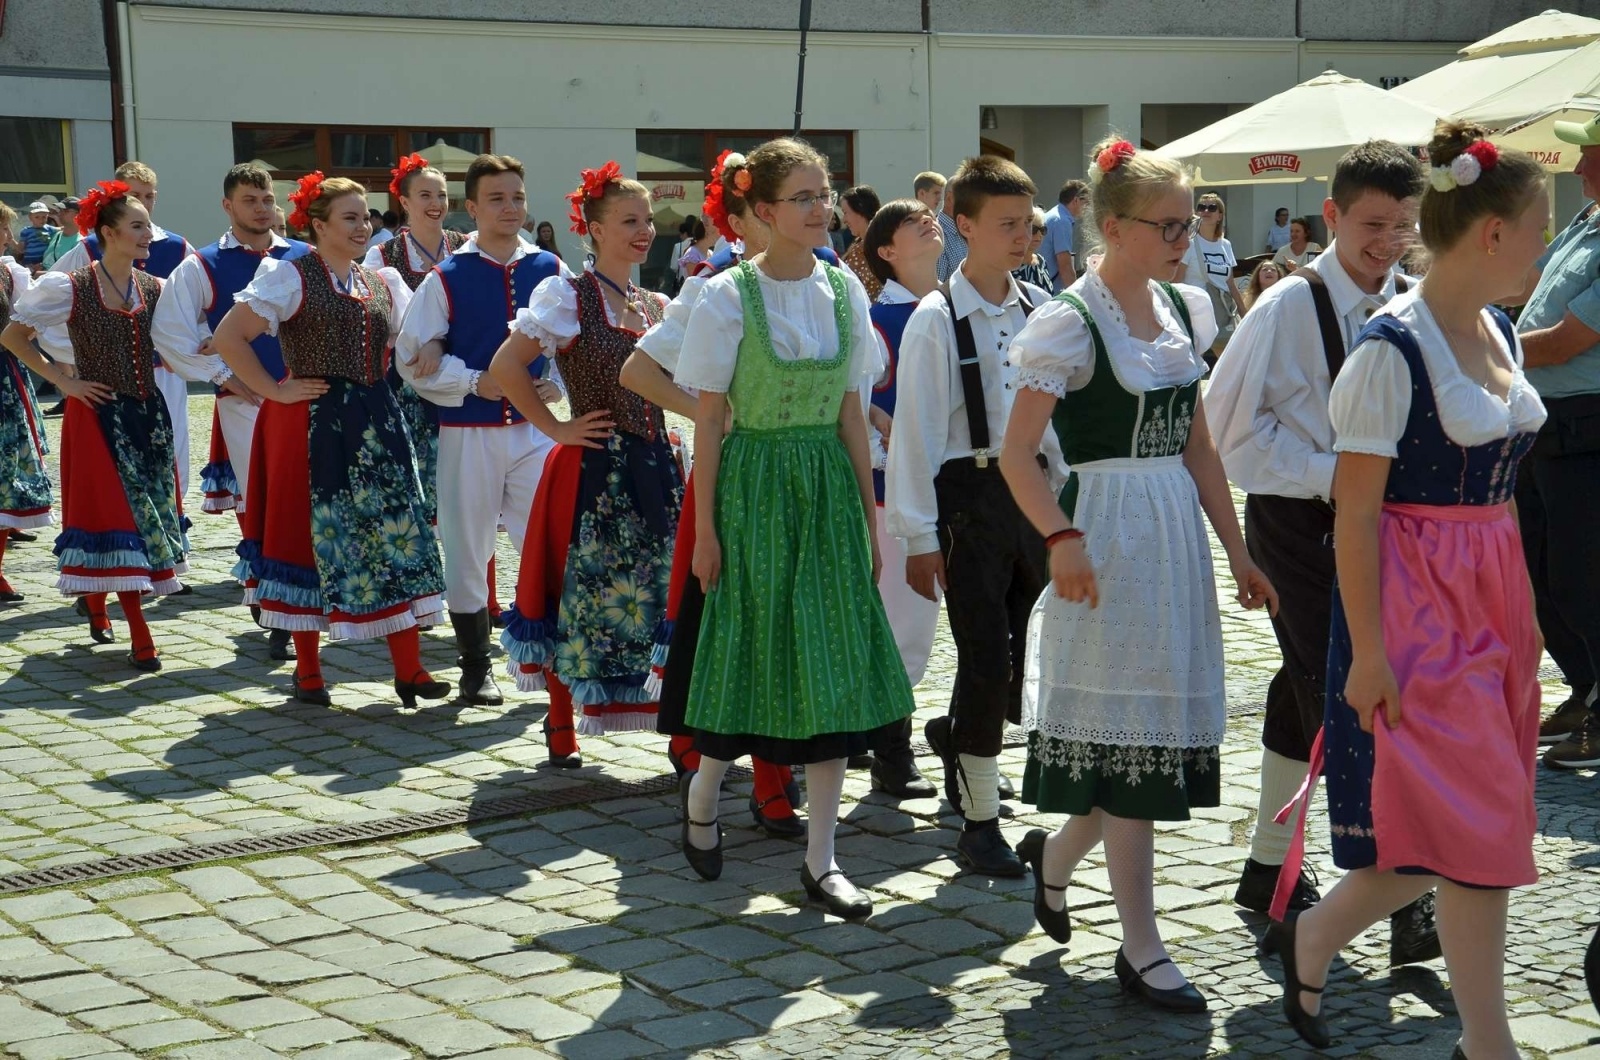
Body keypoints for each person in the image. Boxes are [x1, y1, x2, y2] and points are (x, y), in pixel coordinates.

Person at [1264, 123, 1549, 1060]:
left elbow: (1499, 496)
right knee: (1479, 834)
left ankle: (1313, 933)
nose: (1548, 244)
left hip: (1493, 591)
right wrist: (1371, 652)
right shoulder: (1390, 350)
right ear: (1494, 234)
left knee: (1462, 825)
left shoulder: (1498, 327)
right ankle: (1488, 1045)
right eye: (1541, 227)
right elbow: (1353, 516)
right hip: (1420, 605)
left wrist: (1528, 614)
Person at [997, 137, 1276, 1013]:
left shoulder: (1187, 310)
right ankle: (1142, 945)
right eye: (1166, 223)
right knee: (1124, 751)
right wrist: (1061, 536)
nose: (1184, 235)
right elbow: (1014, 456)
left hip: (1172, 543)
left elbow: (1196, 442)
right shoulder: (1068, 322)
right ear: (1111, 226)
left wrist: (1235, 548)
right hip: (1107, 536)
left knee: (1141, 741)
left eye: (1188, 218)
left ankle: (1054, 859)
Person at [1205, 140, 1440, 964]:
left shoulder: (1416, 300)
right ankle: (1405, 890)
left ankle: (1268, 871)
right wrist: (1334, 475)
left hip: (1391, 530)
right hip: (1301, 527)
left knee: (1311, 682)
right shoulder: (1285, 307)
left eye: (1405, 226)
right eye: (1374, 224)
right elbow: (1230, 438)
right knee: (1351, 695)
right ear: (1332, 216)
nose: (1389, 242)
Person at [673, 137, 914, 919]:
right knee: (746, 647)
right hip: (752, 487)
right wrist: (706, 531)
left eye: (825, 194)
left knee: (832, 664)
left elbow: (851, 414)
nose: (821, 208)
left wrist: (866, 515)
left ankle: (822, 858)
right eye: (804, 198)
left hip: (827, 494)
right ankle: (705, 792)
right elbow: (709, 421)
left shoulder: (845, 291)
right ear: (764, 211)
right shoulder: (723, 296)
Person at [620, 148, 822, 834]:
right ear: (740, 218)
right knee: (741, 626)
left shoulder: (822, 283)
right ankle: (752, 774)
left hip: (803, 480)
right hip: (738, 480)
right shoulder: (717, 288)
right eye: (759, 213)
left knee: (790, 629)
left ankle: (776, 767)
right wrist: (714, 412)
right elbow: (638, 371)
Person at [886, 155, 1066, 877]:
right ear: (964, 226)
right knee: (986, 654)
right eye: (1007, 225)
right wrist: (919, 535)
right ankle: (980, 822)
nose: (1023, 238)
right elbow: (916, 436)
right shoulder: (937, 319)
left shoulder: (1035, 308)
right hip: (968, 499)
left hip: (1028, 500)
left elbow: (1054, 424)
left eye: (1029, 224)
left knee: (1013, 653)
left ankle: (958, 736)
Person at [212, 172, 447, 709]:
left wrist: (430, 351)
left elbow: (415, 335)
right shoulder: (290, 277)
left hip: (375, 418)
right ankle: (310, 670)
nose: (364, 225)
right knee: (312, 536)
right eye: (350, 217)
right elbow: (229, 336)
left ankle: (409, 669)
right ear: (317, 225)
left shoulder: (379, 280)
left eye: (366, 216)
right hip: (312, 423)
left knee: (395, 533)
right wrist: (274, 389)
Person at [494, 161, 679, 763]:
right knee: (582, 594)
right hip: (594, 469)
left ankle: (681, 730)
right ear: (593, 229)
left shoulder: (656, 304)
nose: (643, 230)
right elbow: (504, 368)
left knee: (661, 594)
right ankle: (560, 720)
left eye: (648, 219)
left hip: (656, 467)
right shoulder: (567, 296)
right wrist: (556, 427)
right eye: (628, 220)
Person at [395, 154, 567, 708]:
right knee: (467, 548)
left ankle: (556, 659)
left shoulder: (550, 269)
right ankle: (475, 667)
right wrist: (475, 382)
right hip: (469, 432)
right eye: (497, 198)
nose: (511, 207)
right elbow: (410, 361)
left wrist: (555, 385)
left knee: (544, 541)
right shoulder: (447, 277)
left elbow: (571, 345)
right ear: (471, 208)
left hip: (536, 432)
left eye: (517, 196)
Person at [2, 182, 188, 669]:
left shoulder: (155, 287)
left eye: (147, 223)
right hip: (96, 416)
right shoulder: (71, 285)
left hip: (145, 414)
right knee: (116, 515)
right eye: (137, 225)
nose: (148, 232)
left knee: (142, 515)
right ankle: (141, 636)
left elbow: (183, 342)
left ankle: (97, 601)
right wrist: (66, 382)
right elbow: (14, 336)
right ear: (108, 233)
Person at [152, 163, 312, 663]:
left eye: (267, 199)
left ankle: (333, 602)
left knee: (321, 498)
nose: (261, 208)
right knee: (265, 500)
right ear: (228, 206)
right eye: (249, 200)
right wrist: (222, 373)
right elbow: (169, 330)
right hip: (249, 405)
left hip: (312, 400)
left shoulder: (305, 257)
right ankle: (276, 608)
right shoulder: (203, 264)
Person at [1503, 113, 1600, 770]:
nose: (1579, 165)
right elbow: (1524, 286)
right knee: (1537, 574)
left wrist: (1480, 350)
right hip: (1544, 422)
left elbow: (1569, 339)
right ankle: (1586, 690)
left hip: (1586, 425)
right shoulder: (1586, 222)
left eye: (1589, 152)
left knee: (1580, 575)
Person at [856, 196, 946, 799]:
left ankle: (968, 738)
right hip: (895, 493)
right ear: (887, 251)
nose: (929, 222)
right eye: (914, 223)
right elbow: (851, 397)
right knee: (904, 620)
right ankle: (891, 748)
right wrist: (884, 421)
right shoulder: (876, 320)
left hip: (967, 489)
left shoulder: (958, 306)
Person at [52, 162, 196, 504]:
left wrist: (190, 351)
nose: (143, 203)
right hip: (111, 375)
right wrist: (73, 360)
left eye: (149, 196)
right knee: (118, 451)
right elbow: (49, 308)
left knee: (172, 444)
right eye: (134, 196)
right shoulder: (88, 250)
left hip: (163, 369)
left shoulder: (176, 247)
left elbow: (195, 305)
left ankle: (174, 527)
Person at [365, 154, 469, 535]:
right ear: (404, 203)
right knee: (416, 476)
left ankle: (480, 589)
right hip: (408, 381)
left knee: (465, 481)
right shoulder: (383, 255)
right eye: (424, 195)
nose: (435, 203)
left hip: (462, 373)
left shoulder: (466, 247)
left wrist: (438, 343)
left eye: (441, 195)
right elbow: (382, 320)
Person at [0, 203, 51, 602]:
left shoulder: (9, 273)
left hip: (4, 380)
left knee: (7, 475)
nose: (8, 238)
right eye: (4, 229)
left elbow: (28, 322)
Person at [1182, 192, 1241, 359]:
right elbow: (1176, 280)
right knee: (1195, 359)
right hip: (1196, 311)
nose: (1205, 211)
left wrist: (1245, 315)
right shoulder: (1189, 243)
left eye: (1212, 208)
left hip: (1222, 311)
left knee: (1228, 359)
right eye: (1201, 207)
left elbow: (1231, 284)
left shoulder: (1225, 244)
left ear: (1220, 215)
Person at [838, 184, 884, 302]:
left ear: (860, 209)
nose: (844, 219)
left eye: (846, 212)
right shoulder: (862, 243)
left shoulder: (872, 247)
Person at [1039, 180, 1088, 290]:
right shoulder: (1062, 221)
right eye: (1086, 202)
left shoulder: (1055, 215)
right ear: (1076, 200)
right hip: (1049, 290)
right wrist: (1076, 297)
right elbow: (1065, 266)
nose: (1087, 207)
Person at [1012, 207, 1055, 293]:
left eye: (1042, 230)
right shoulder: (1010, 265)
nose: (1039, 235)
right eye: (1033, 229)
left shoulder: (1041, 261)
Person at [935, 174, 968, 282]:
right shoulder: (937, 235)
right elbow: (935, 288)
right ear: (950, 198)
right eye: (968, 198)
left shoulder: (970, 230)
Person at [13, 202, 55, 272]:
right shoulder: (26, 231)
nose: (41, 219)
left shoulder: (50, 229)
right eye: (37, 217)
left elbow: (63, 229)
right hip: (29, 263)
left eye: (44, 217)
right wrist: (11, 240)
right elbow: (21, 249)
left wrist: (56, 217)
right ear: (30, 217)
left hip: (44, 262)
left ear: (48, 216)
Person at [42, 198, 82, 269]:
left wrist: (42, 274)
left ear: (79, 214)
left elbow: (74, 273)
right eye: (60, 210)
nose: (60, 213)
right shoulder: (57, 235)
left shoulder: (81, 242)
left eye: (66, 211)